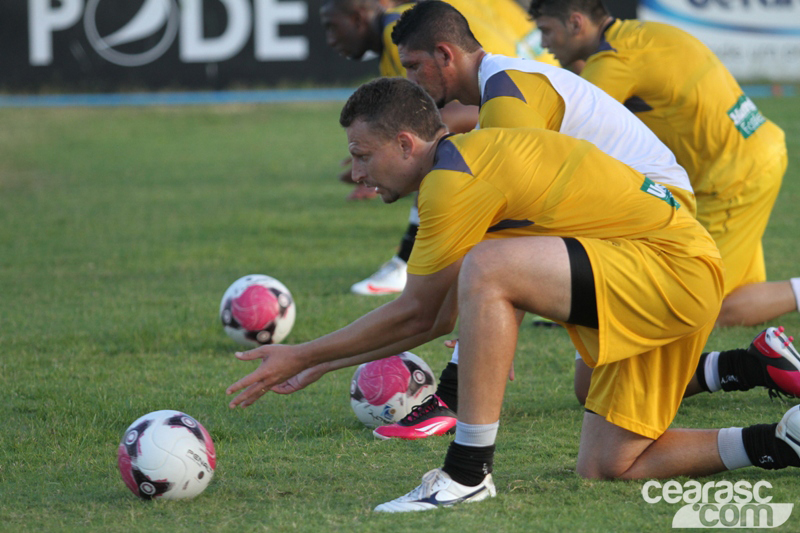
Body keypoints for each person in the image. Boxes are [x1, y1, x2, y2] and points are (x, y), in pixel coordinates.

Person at [227, 77, 800, 513]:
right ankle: (780, 442)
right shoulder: (457, 168)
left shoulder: (453, 181)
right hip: (663, 269)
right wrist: (313, 362)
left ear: (405, 143)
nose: (355, 174)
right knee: (608, 464)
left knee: (490, 268)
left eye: (361, 155)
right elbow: (436, 316)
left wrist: (304, 356)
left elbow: (421, 312)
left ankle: (468, 472)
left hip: (671, 268)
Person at [368, 0, 800, 440]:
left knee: (498, 264)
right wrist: (488, 315)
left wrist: (488, 320)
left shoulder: (516, 94)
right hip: (656, 202)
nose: (547, 45)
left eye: (414, 67)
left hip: (654, 220)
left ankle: (456, 411)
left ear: (445, 55)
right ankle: (751, 367)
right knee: (588, 387)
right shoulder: (511, 84)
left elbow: (509, 227)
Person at [320, 0, 557, 295]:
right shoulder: (415, 26)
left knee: (430, 143)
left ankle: (407, 262)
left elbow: (438, 123)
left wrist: (385, 159)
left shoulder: (402, 35)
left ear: (357, 18)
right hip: (537, 96)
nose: (330, 39)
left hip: (529, 107)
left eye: (331, 26)